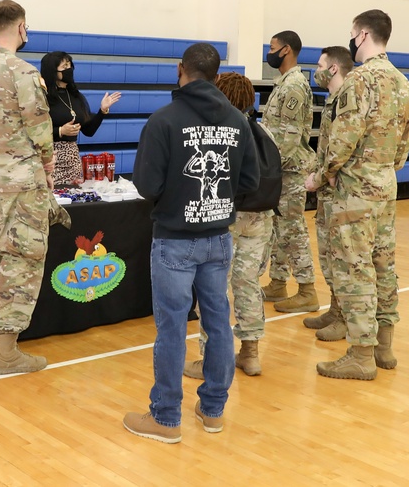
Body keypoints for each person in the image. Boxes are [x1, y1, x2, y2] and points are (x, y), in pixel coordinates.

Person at [124, 43, 260, 444]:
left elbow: (146, 186)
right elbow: (251, 184)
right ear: (217, 75)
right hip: (218, 237)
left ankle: (166, 418)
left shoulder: (164, 121)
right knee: (218, 323)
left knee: (171, 329)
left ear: (179, 70)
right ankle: (213, 410)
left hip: (174, 241)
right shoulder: (238, 121)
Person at [309, 10, 409, 380]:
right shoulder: (403, 83)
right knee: (384, 266)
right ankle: (384, 345)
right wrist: (383, 170)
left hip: (354, 192)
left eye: (352, 33)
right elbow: (404, 145)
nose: (351, 39)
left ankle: (361, 353)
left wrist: (320, 177)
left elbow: (342, 141)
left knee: (355, 270)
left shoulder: (360, 81)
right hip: (385, 185)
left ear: (363, 34)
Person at [0, 0, 56, 375]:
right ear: (22, 28)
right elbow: (39, 129)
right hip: (21, 184)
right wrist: (49, 167)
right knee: (20, 262)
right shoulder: (23, 72)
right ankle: (6, 353)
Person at [183, 72, 274, 380]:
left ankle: (209, 359)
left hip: (227, 216)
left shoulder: (221, 134)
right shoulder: (264, 131)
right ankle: (250, 353)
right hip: (261, 217)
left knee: (214, 287)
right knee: (247, 282)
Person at [260, 30, 319, 313]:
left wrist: (267, 169)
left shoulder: (294, 85)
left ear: (285, 50)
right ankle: (278, 282)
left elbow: (289, 137)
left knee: (293, 230)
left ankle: (307, 290)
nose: (268, 52)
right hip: (282, 171)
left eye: (272, 48)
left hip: (291, 171)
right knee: (279, 228)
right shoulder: (284, 82)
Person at [302, 46, 354, 341]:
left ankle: (346, 317)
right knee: (328, 256)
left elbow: (342, 149)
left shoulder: (348, 98)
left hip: (338, 190)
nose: (317, 70)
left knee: (342, 258)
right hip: (326, 191)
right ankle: (335, 309)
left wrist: (320, 177)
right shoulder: (333, 99)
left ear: (333, 68)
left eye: (320, 65)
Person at [40, 51, 121, 185]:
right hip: (50, 158)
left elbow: (88, 131)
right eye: (64, 67)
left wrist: (102, 111)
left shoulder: (76, 96)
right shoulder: (43, 97)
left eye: (69, 65)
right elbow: (33, 131)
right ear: (53, 71)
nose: (69, 69)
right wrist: (60, 131)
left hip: (72, 158)